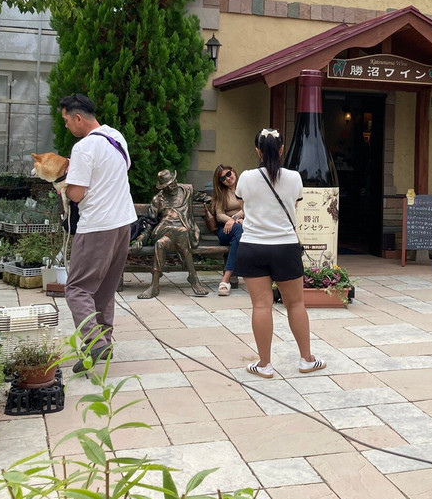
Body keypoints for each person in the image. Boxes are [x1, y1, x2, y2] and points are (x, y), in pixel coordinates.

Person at [234, 128, 325, 378]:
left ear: (257, 151)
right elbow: (293, 205)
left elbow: (243, 205)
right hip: (285, 247)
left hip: (252, 246)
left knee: (261, 305)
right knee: (295, 304)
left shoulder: (246, 177)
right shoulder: (295, 177)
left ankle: (264, 364)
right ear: (282, 150)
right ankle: (307, 359)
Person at [59, 93, 137, 373]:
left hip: (97, 227)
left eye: (67, 120)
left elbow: (77, 194)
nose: (67, 126)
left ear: (78, 118)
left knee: (77, 288)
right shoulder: (116, 137)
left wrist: (62, 185)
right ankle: (101, 343)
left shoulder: (84, 148)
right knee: (104, 289)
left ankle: (94, 340)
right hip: (123, 223)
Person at [138, 169, 208, 299]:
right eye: (168, 184)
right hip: (164, 231)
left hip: (182, 234)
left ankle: (155, 284)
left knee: (161, 243)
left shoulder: (187, 190)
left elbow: (205, 197)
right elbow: (150, 224)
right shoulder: (158, 199)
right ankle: (192, 279)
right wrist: (141, 239)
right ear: (163, 186)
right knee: (178, 232)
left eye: (173, 181)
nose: (172, 185)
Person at [211, 164, 244, 296]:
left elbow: (249, 207)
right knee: (238, 229)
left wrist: (236, 218)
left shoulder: (244, 188)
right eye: (223, 178)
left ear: (233, 171)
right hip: (225, 230)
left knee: (239, 231)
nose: (228, 179)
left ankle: (227, 277)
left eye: (229, 174)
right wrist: (232, 220)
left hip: (243, 227)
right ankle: (228, 277)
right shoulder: (221, 193)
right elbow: (219, 215)